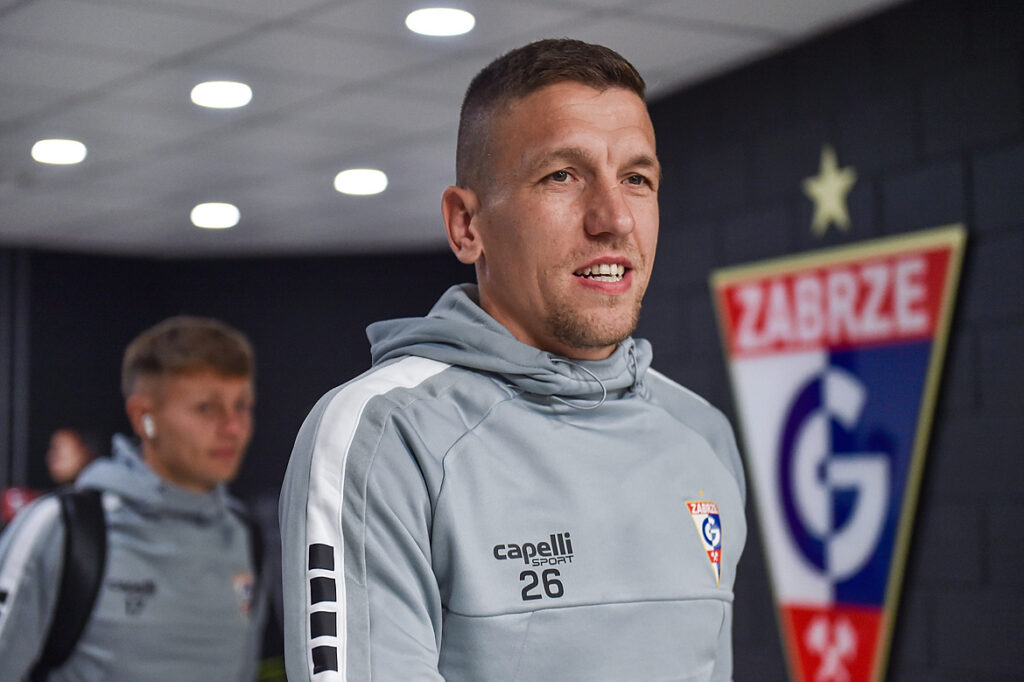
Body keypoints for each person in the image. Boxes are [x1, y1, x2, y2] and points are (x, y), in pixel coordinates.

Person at [279, 38, 747, 681]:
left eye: (636, 179)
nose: (614, 219)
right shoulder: (384, 436)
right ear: (466, 225)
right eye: (562, 176)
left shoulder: (702, 435)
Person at [0, 316, 266, 681]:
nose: (233, 427)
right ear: (144, 418)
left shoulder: (246, 536)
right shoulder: (63, 529)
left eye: (242, 406)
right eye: (207, 408)